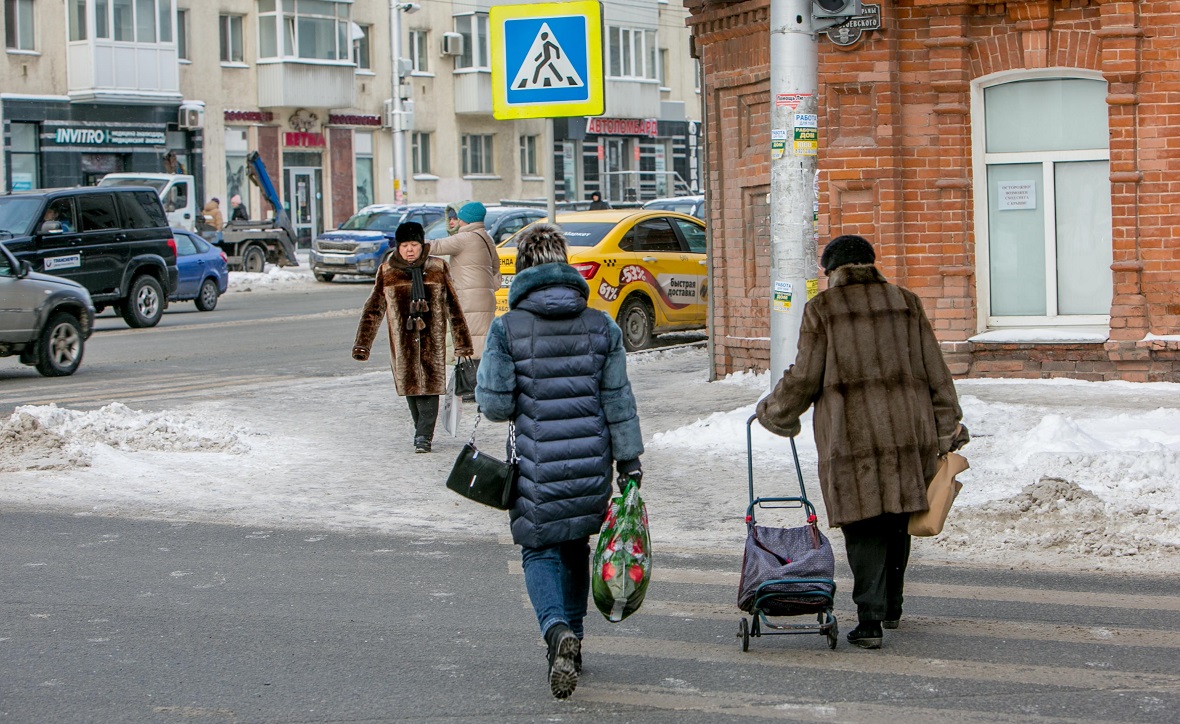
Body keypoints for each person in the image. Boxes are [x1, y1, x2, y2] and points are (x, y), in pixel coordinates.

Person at [755, 234, 969, 650]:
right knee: (898, 517)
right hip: (909, 432)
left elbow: (805, 375)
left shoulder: (823, 309)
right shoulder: (905, 301)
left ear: (832, 271)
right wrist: (948, 424)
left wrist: (775, 412)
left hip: (852, 436)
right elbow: (935, 369)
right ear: (871, 263)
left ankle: (869, 619)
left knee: (863, 522)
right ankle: (892, 606)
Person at [475, 223, 644, 699]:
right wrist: (629, 460)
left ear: (525, 268)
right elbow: (619, 400)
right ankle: (576, 643)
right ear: (565, 265)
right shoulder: (602, 325)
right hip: (592, 463)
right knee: (575, 547)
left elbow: (495, 405)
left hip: (536, 465)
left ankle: (556, 633)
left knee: (539, 550)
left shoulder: (506, 327)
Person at [352, 222, 474, 453]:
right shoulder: (387, 272)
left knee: (429, 387)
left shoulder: (438, 268)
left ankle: (423, 437)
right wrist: (362, 344)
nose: (409, 250)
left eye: (414, 245)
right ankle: (421, 430)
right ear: (398, 247)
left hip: (432, 343)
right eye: (405, 245)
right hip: (403, 344)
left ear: (422, 245)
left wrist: (462, 344)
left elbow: (454, 308)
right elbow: (373, 310)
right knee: (411, 389)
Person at [427, 201, 500, 360]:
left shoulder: (465, 238)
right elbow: (495, 268)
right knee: (482, 338)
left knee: (469, 342)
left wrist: (411, 246)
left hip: (469, 298)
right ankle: (479, 376)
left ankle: (469, 379)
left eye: (458, 217)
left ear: (466, 219)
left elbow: (436, 246)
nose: (456, 221)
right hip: (484, 297)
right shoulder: (486, 237)